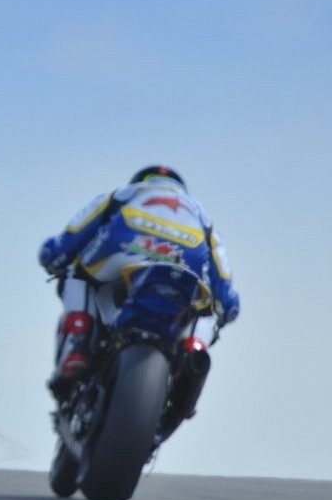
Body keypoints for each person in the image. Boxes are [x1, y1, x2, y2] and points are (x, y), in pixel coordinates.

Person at [38, 166, 239, 399]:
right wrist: (227, 306)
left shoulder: (124, 193)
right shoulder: (201, 214)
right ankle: (194, 352)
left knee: (77, 274)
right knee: (209, 310)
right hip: (186, 262)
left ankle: (78, 339)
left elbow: (74, 233)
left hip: (124, 248)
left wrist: (54, 255)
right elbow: (224, 283)